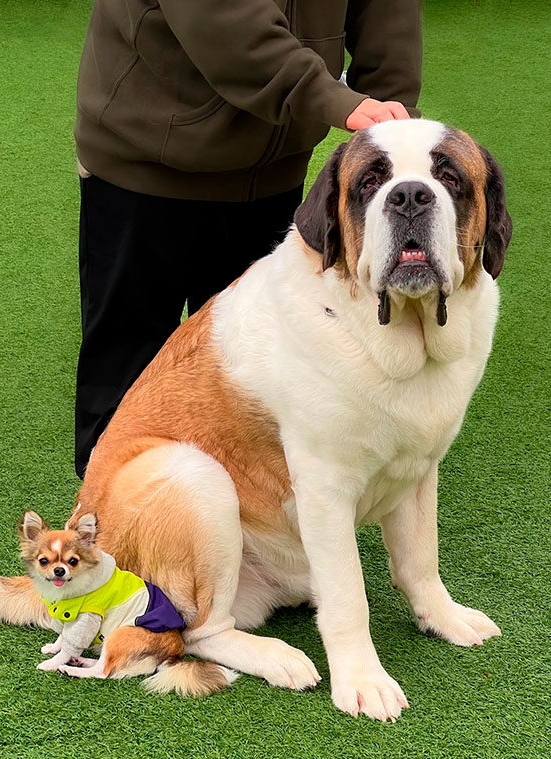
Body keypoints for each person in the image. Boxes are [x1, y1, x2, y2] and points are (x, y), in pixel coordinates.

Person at [73, 0, 423, 478]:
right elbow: (223, 21)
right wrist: (345, 105)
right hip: (146, 161)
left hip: (274, 168)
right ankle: (103, 526)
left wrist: (391, 141)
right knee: (131, 366)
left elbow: (388, 20)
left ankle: (233, 528)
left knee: (253, 367)